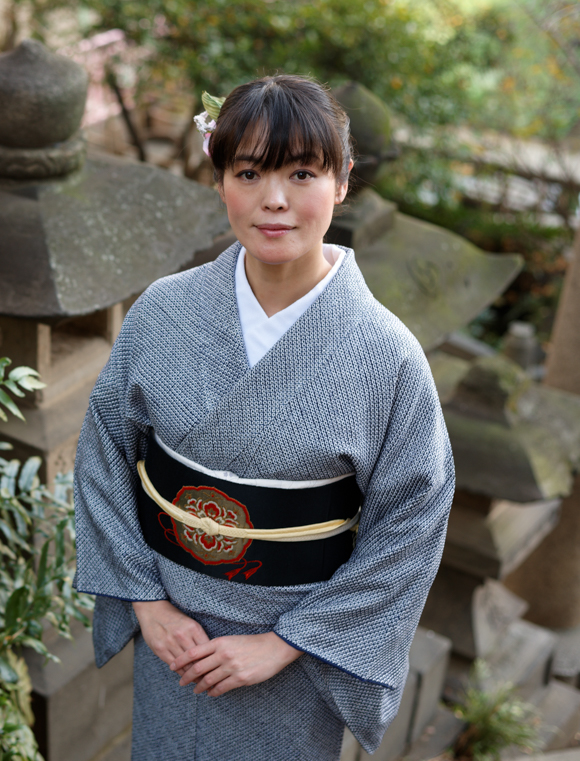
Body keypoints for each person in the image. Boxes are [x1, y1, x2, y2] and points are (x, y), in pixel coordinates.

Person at [73, 74, 454, 760]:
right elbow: (104, 445)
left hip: (294, 651)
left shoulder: (387, 356)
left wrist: (285, 643)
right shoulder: (164, 310)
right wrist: (146, 601)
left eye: (302, 172)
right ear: (220, 180)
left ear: (341, 182)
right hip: (172, 633)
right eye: (249, 172)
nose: (273, 199)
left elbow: (413, 523)